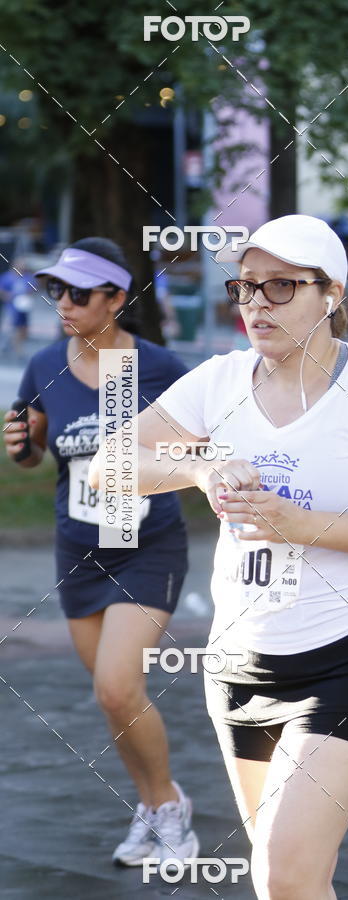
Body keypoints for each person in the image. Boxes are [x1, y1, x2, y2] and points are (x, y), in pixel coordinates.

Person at [92, 214, 348, 899]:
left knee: (285, 871)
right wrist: (198, 467)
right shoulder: (219, 381)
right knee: (282, 877)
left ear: (331, 294)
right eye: (245, 288)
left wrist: (297, 522)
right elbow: (110, 463)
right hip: (239, 666)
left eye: (280, 286)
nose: (256, 304)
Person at [2, 238, 198, 868]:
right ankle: (152, 803)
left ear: (117, 299)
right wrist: (21, 448)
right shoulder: (42, 366)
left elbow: (205, 446)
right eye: (57, 290)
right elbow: (37, 453)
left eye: (80, 293)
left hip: (147, 546)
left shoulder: (161, 367)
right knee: (112, 694)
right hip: (79, 547)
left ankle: (171, 812)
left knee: (118, 687)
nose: (64, 302)